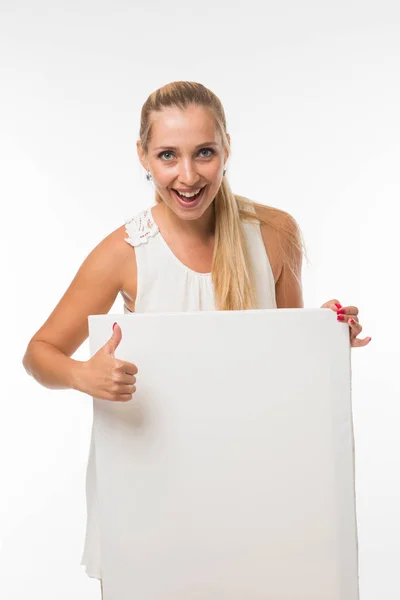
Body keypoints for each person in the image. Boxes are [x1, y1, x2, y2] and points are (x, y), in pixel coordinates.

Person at [22, 81, 371, 596]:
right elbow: (38, 353)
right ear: (143, 156)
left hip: (252, 474)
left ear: (226, 148)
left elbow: (282, 365)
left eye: (204, 152)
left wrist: (323, 335)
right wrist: (81, 374)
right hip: (154, 479)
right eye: (168, 155)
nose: (187, 176)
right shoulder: (124, 252)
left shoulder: (274, 235)